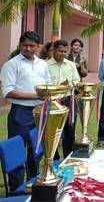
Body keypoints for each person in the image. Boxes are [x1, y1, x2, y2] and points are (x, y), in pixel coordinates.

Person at [0, 31, 51, 191]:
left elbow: (47, 85)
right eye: (25, 45)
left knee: (36, 150)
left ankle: (33, 183)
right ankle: (16, 189)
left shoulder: (42, 64)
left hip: (39, 111)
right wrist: (35, 95)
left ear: (38, 47)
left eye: (32, 46)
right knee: (17, 150)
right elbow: (7, 92)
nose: (28, 48)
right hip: (20, 113)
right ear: (20, 45)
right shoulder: (11, 64)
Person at [48, 40, 80, 158]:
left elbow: (77, 80)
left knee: (70, 131)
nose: (63, 54)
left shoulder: (70, 65)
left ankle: (69, 157)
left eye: (65, 52)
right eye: (60, 51)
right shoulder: (46, 65)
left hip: (68, 100)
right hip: (53, 101)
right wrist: (57, 86)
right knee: (54, 132)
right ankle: (54, 159)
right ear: (54, 50)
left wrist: (69, 84)